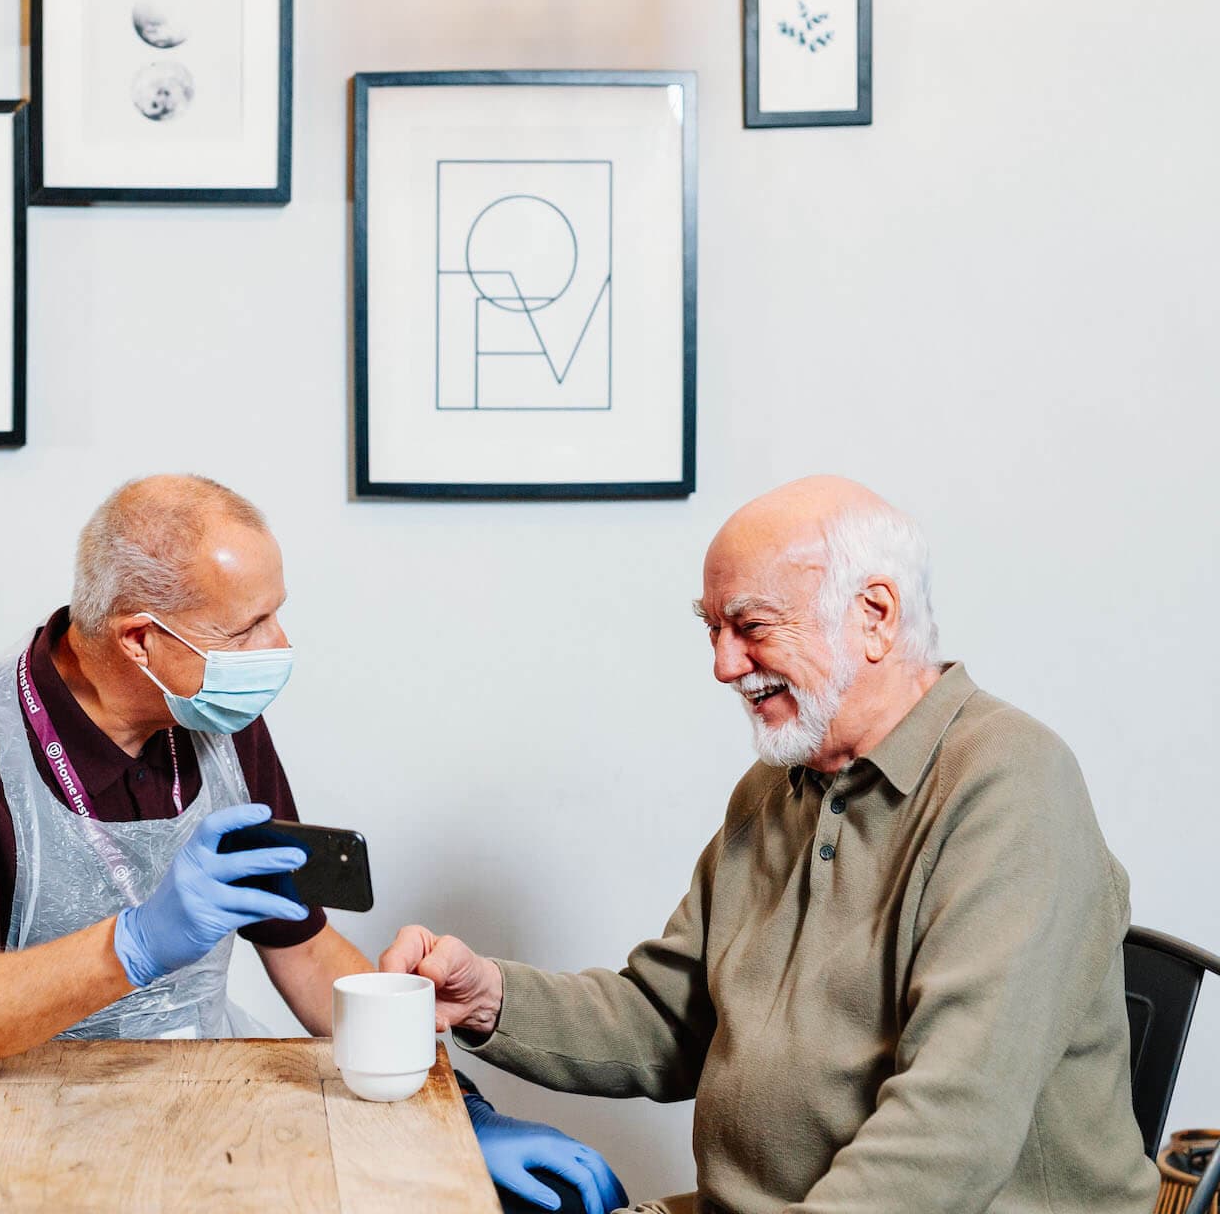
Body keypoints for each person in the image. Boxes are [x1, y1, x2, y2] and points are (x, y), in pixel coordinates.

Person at [382, 476, 1157, 1213]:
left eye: (750, 626)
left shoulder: (1011, 785)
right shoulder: (776, 787)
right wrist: (489, 998)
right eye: (712, 630)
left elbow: (950, 1132)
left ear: (876, 616)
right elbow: (672, 1019)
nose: (723, 665)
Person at [0, 474, 371, 1072]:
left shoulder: (220, 715)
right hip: (16, 1099)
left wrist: (440, 1076)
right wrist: (133, 944)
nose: (277, 645)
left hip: (204, 1085)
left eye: (275, 615)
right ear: (139, 639)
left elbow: (304, 949)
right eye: (246, 628)